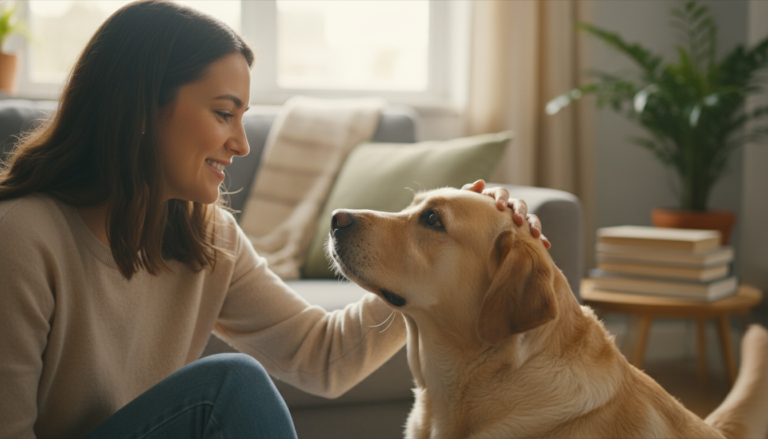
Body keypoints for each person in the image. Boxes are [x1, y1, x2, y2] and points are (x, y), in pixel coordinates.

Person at [0, 1, 549, 438]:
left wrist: (445, 260)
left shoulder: (207, 238)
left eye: (243, 117)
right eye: (222, 113)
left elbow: (322, 357)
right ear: (141, 109)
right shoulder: (22, 238)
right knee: (227, 387)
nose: (239, 143)